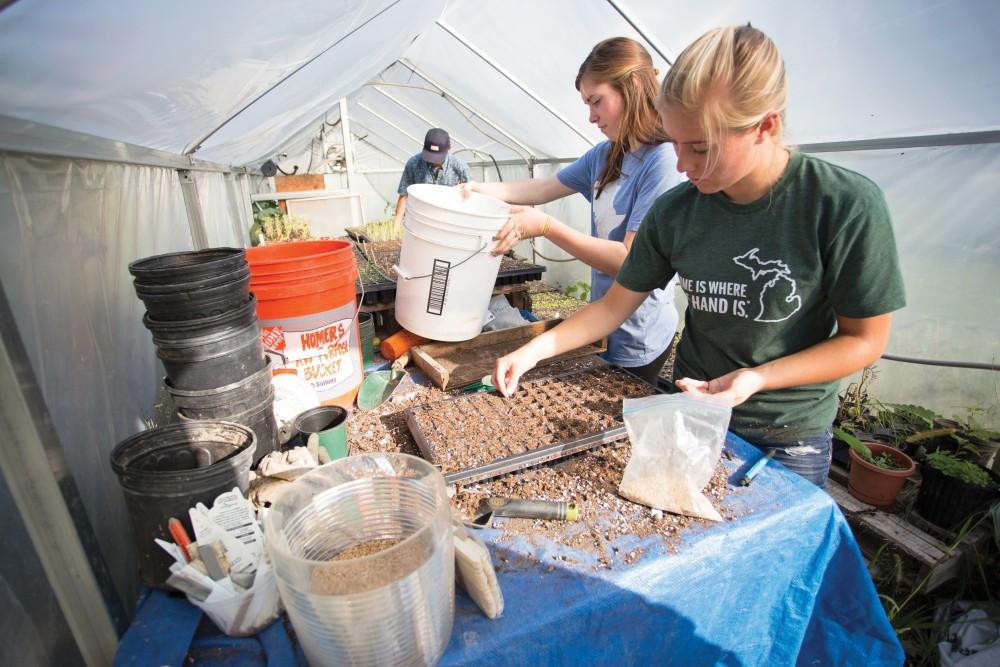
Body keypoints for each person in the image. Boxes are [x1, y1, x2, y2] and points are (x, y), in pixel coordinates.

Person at [491, 25, 906, 487]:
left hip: (786, 434)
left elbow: (864, 340)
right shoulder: (678, 209)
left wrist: (756, 378)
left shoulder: (840, 205)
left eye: (701, 148)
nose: (683, 165)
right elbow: (613, 306)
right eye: (676, 142)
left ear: (764, 127)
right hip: (689, 408)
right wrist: (533, 351)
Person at [463, 37, 683, 384]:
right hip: (601, 321)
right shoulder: (606, 154)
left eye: (597, 101)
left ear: (635, 86)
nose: (591, 116)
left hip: (640, 333)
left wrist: (548, 227)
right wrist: (478, 190)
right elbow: (543, 188)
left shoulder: (664, 162)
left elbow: (630, 260)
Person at [394, 128, 471, 225]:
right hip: (420, 219)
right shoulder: (414, 163)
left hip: (451, 222)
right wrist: (397, 222)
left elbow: (470, 196)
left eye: (438, 156)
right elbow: (404, 194)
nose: (434, 160)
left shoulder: (460, 167)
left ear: (449, 147)